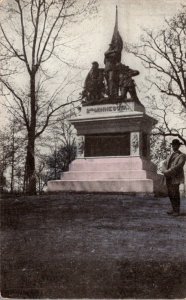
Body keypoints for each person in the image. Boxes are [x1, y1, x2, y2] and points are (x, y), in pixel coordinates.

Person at [162, 139, 186, 216]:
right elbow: (164, 164)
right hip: (168, 177)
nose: (173, 146)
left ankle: (177, 210)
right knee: (170, 193)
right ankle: (173, 209)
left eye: (175, 145)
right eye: (173, 145)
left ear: (178, 146)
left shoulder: (182, 155)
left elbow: (178, 166)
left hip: (175, 177)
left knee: (175, 193)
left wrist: (168, 171)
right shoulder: (169, 155)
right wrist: (164, 170)